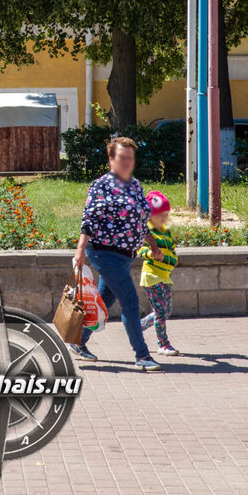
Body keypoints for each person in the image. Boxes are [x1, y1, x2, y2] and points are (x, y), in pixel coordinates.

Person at [71, 137, 164, 372]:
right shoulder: (101, 185)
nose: (126, 162)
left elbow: (142, 222)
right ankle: (142, 355)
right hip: (103, 253)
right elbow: (89, 218)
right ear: (111, 159)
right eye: (122, 157)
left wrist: (153, 246)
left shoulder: (134, 185)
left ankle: (78, 340)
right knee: (130, 301)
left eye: (130, 157)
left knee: (103, 301)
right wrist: (80, 249)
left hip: (126, 255)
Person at [139, 191, 179, 356]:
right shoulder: (147, 232)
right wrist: (150, 254)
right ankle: (163, 344)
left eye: (166, 215)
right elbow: (140, 249)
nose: (165, 218)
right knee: (161, 311)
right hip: (152, 276)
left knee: (166, 310)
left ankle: (136, 327)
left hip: (165, 276)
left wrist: (174, 258)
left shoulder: (166, 231)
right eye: (161, 215)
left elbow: (171, 248)